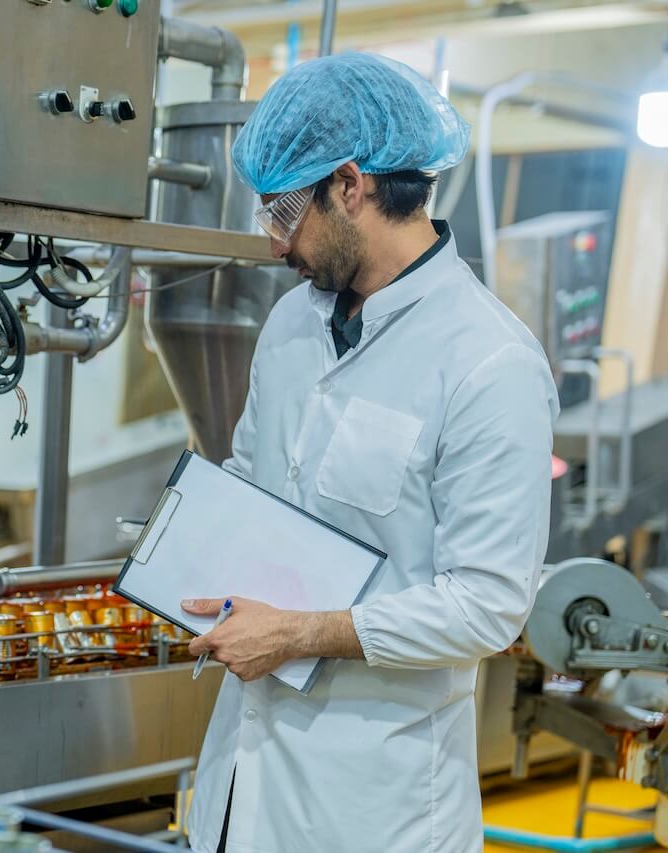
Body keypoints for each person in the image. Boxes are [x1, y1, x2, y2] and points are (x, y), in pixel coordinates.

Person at [180, 53, 559, 853]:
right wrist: (183, 557)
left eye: (286, 211)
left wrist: (300, 633)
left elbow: (486, 603)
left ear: (351, 186)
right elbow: (252, 480)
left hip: (371, 805)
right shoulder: (291, 325)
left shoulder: (489, 362)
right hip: (239, 785)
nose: (276, 243)